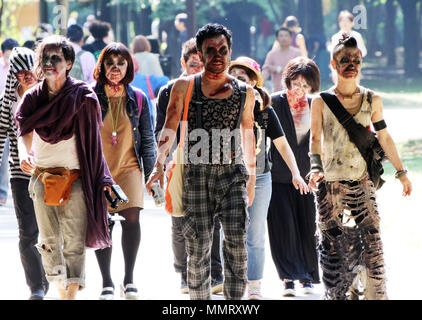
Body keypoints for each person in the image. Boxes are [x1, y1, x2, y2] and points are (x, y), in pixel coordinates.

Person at [146, 23, 257, 300]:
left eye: (223, 50)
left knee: (237, 245)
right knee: (198, 248)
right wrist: (158, 166)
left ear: (230, 52)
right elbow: (169, 128)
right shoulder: (185, 86)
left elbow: (248, 133)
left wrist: (252, 178)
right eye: (211, 50)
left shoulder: (245, 92)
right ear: (201, 53)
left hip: (233, 174)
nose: (217, 55)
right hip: (197, 174)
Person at [308, 35, 412, 300]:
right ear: (333, 63)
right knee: (334, 249)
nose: (351, 64)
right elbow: (315, 138)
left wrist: (401, 173)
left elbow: (384, 137)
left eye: (356, 60)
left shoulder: (371, 99)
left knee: (373, 246)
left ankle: (373, 295)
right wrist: (315, 167)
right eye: (345, 60)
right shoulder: (321, 101)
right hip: (330, 186)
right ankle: (338, 294)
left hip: (362, 183)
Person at [16, 35, 114, 300]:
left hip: (76, 178)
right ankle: (60, 287)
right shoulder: (33, 97)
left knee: (73, 240)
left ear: (69, 62)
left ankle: (70, 293)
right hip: (41, 177)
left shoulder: (82, 96)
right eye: (44, 59)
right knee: (48, 241)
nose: (49, 64)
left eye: (55, 58)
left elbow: (94, 144)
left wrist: (102, 178)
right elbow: (24, 130)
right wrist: (27, 154)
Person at [228, 56, 309, 300]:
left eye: (243, 78)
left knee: (255, 236)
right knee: (229, 232)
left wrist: (296, 173)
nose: (237, 82)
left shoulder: (264, 110)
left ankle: (254, 285)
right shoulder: (220, 106)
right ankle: (231, 281)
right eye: (233, 77)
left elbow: (283, 146)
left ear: (253, 82)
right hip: (228, 177)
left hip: (262, 178)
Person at [155, 37, 224, 295]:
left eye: (202, 64)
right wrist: (161, 164)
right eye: (194, 64)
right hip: (179, 161)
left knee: (214, 218)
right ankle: (184, 273)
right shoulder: (169, 90)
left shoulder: (217, 88)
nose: (199, 69)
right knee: (180, 218)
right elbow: (160, 129)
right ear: (183, 63)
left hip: (211, 160)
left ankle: (214, 271)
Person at [92, 42, 156, 300]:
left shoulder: (138, 98)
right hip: (101, 170)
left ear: (128, 66)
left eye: (121, 63)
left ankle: (128, 280)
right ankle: (106, 282)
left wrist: (152, 175)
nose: (115, 68)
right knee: (104, 224)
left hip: (129, 167)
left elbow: (148, 140)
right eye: (110, 63)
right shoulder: (91, 97)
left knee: (132, 221)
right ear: (102, 67)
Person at [267, 57, 321, 297]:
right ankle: (288, 277)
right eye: (296, 83)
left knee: (308, 226)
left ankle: (308, 276)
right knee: (283, 227)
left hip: (309, 177)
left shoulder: (316, 104)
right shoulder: (274, 102)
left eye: (306, 85)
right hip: (279, 176)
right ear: (287, 81)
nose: (300, 89)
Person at [0, 47, 49, 300]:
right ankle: (36, 287)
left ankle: (48, 275)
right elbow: (1, 137)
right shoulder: (7, 101)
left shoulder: (49, 96)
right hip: (19, 174)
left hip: (51, 172)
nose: (25, 76)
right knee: (27, 232)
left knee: (49, 230)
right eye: (19, 73)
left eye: (29, 71)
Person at [0, 38, 19, 206]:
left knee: (6, 155)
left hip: (12, 118)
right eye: (7, 56)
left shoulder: (20, 70)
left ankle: (2, 191)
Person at [262, 28, 301, 93]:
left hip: (294, 91)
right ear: (276, 39)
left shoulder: (297, 53)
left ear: (291, 38)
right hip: (276, 91)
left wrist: (277, 68)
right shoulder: (271, 54)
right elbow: (266, 69)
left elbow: (298, 69)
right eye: (281, 36)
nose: (284, 38)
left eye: (286, 35)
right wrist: (259, 84)